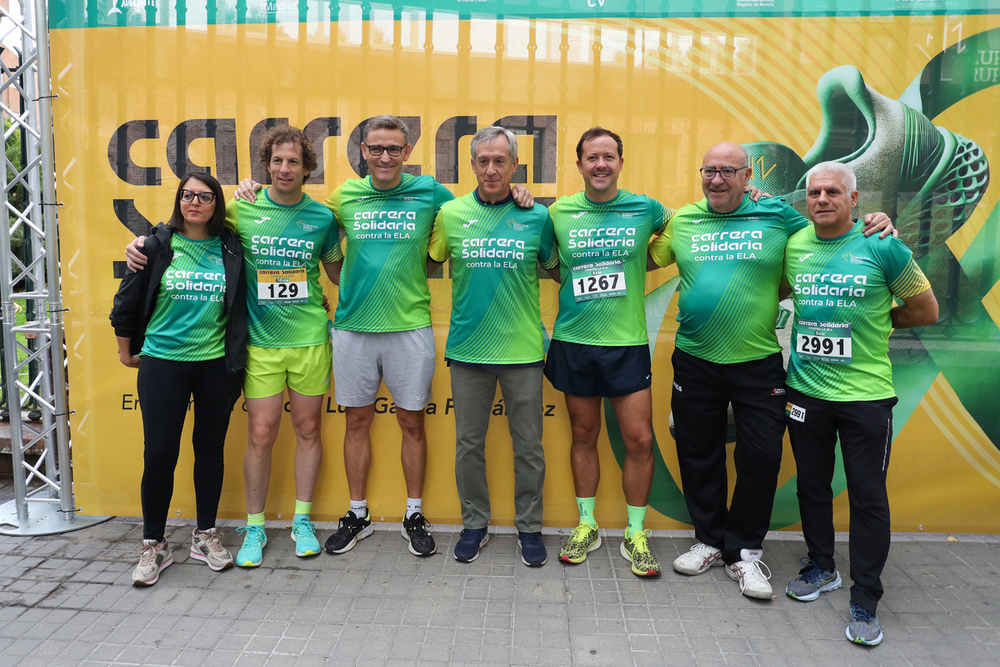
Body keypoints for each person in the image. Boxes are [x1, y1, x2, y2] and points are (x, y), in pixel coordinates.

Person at [235, 115, 533, 557]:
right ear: (363, 153)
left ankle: (414, 513)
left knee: (412, 422)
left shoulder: (431, 193)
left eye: (394, 148)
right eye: (376, 148)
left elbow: (480, 206)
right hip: (353, 329)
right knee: (356, 422)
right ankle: (358, 514)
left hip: (409, 328)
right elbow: (293, 207)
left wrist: (518, 193)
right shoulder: (343, 197)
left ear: (407, 153)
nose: (385, 156)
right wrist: (249, 189)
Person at [650, 142, 893, 599]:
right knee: (697, 451)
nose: (716, 179)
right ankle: (708, 541)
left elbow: (831, 235)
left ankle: (743, 553)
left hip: (758, 361)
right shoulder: (684, 219)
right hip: (695, 359)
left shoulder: (779, 216)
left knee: (761, 457)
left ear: (747, 177)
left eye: (728, 171)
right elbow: (645, 257)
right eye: (709, 170)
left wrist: (873, 223)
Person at [127, 126, 341, 568]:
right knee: (260, 433)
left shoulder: (322, 217)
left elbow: (336, 274)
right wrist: (139, 245)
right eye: (278, 161)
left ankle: (302, 520)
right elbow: (189, 233)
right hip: (258, 343)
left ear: (307, 168)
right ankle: (256, 525)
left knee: (308, 430)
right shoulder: (242, 210)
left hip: (309, 339)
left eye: (294, 162)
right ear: (266, 165)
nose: (285, 168)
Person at [782, 162, 937, 646]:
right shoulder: (796, 246)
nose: (822, 198)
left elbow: (926, 310)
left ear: (854, 201)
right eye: (814, 192)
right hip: (805, 390)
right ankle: (821, 567)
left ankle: (865, 599)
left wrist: (878, 322)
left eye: (833, 191)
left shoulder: (882, 244)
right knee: (812, 484)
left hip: (865, 397)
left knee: (868, 498)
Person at [542, 127, 672, 578]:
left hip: (626, 344)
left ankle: (637, 533)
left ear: (620, 162)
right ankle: (587, 525)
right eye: (592, 157)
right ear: (578, 165)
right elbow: (549, 263)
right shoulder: (558, 213)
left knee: (638, 440)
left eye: (609, 157)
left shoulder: (647, 209)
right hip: (575, 342)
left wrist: (645, 260)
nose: (600, 164)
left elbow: (689, 225)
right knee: (583, 435)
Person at [111, 172, 247, 586]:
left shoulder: (231, 246)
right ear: (179, 200)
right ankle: (154, 543)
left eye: (204, 197)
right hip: (162, 363)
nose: (194, 202)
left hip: (216, 366)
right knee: (159, 454)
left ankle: (204, 534)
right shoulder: (154, 245)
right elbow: (126, 302)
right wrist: (124, 350)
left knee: (210, 449)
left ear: (216, 203)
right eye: (187, 195)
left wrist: (253, 187)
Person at [427, 126, 554, 566]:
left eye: (500, 161)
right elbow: (428, 259)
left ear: (515, 166)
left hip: (522, 351)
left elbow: (556, 268)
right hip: (468, 350)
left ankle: (530, 528)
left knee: (529, 447)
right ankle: (475, 523)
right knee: (468, 444)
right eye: (483, 161)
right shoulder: (450, 213)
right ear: (473, 165)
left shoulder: (537, 216)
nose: (491, 169)